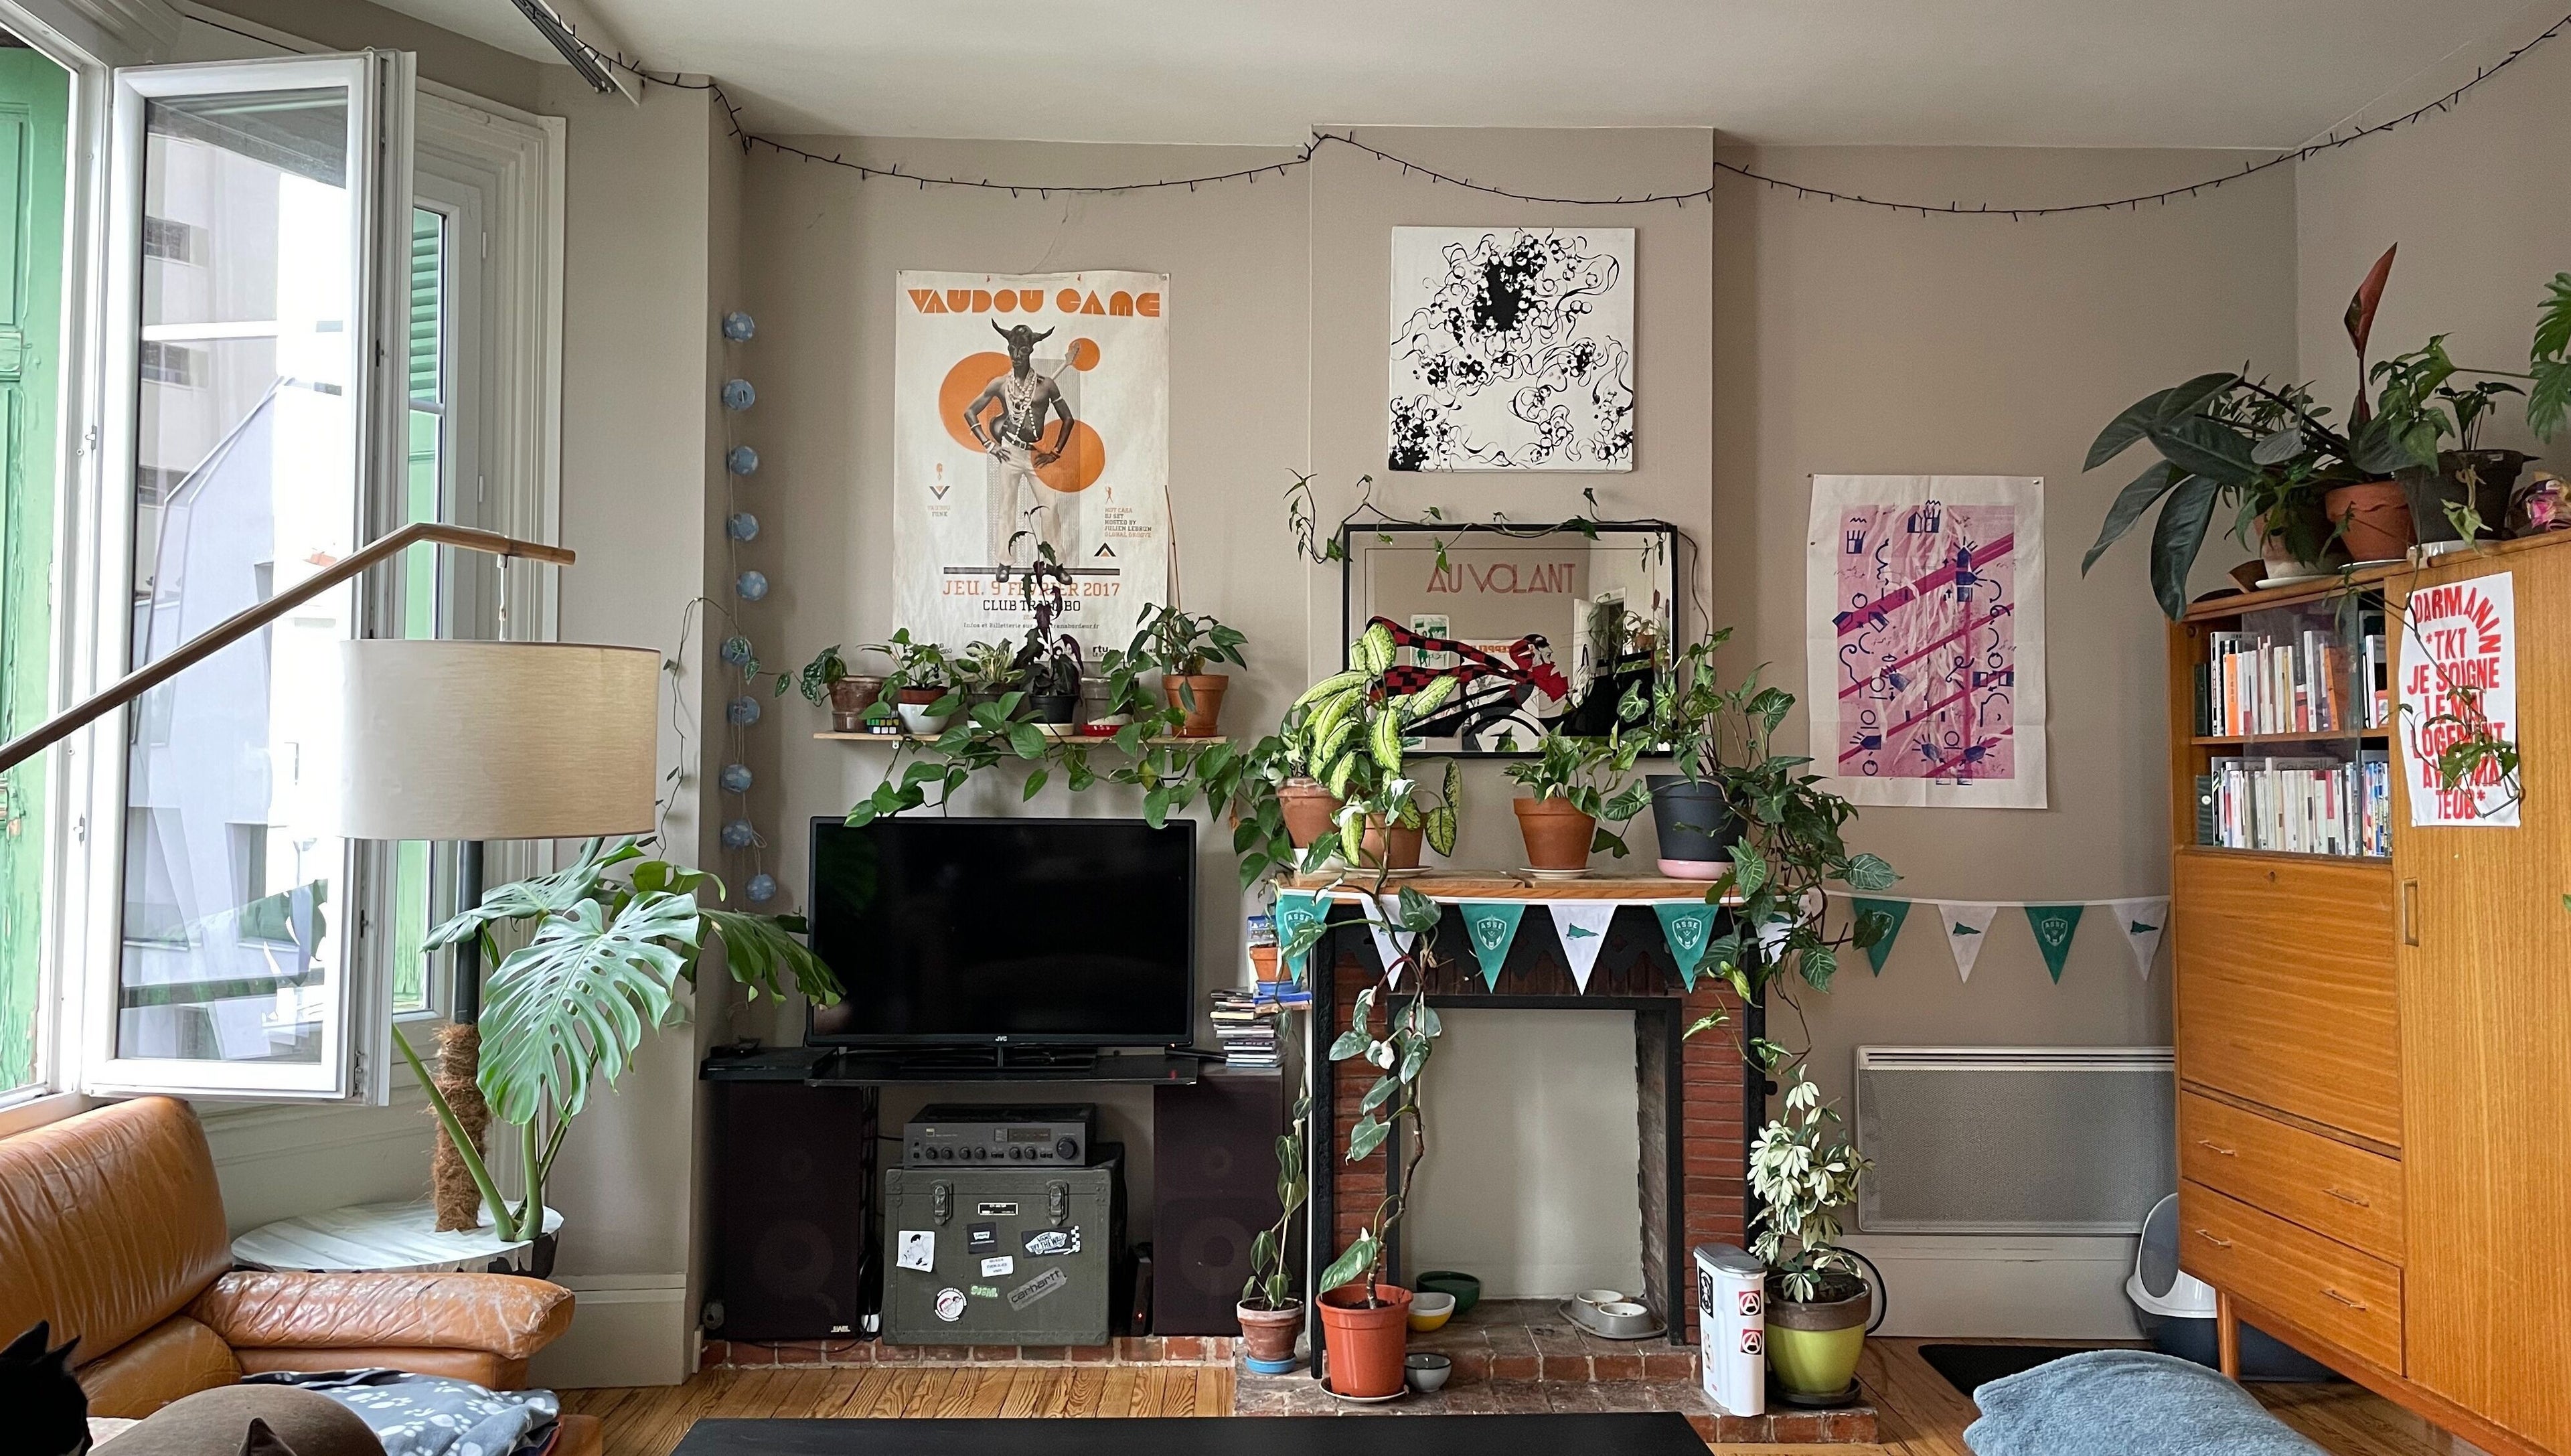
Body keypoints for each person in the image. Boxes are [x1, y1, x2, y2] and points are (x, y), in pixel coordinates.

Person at [963, 322, 1079, 568]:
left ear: (1030, 351)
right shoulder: (1000, 384)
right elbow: (970, 412)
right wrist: (989, 445)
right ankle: (1004, 562)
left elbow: (1068, 419)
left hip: (1036, 453)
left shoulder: (1046, 385)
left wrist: (1056, 452)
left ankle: (1056, 564)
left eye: (1023, 350)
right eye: (1012, 349)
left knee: (1051, 505)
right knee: (1007, 506)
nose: (1016, 356)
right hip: (1010, 451)